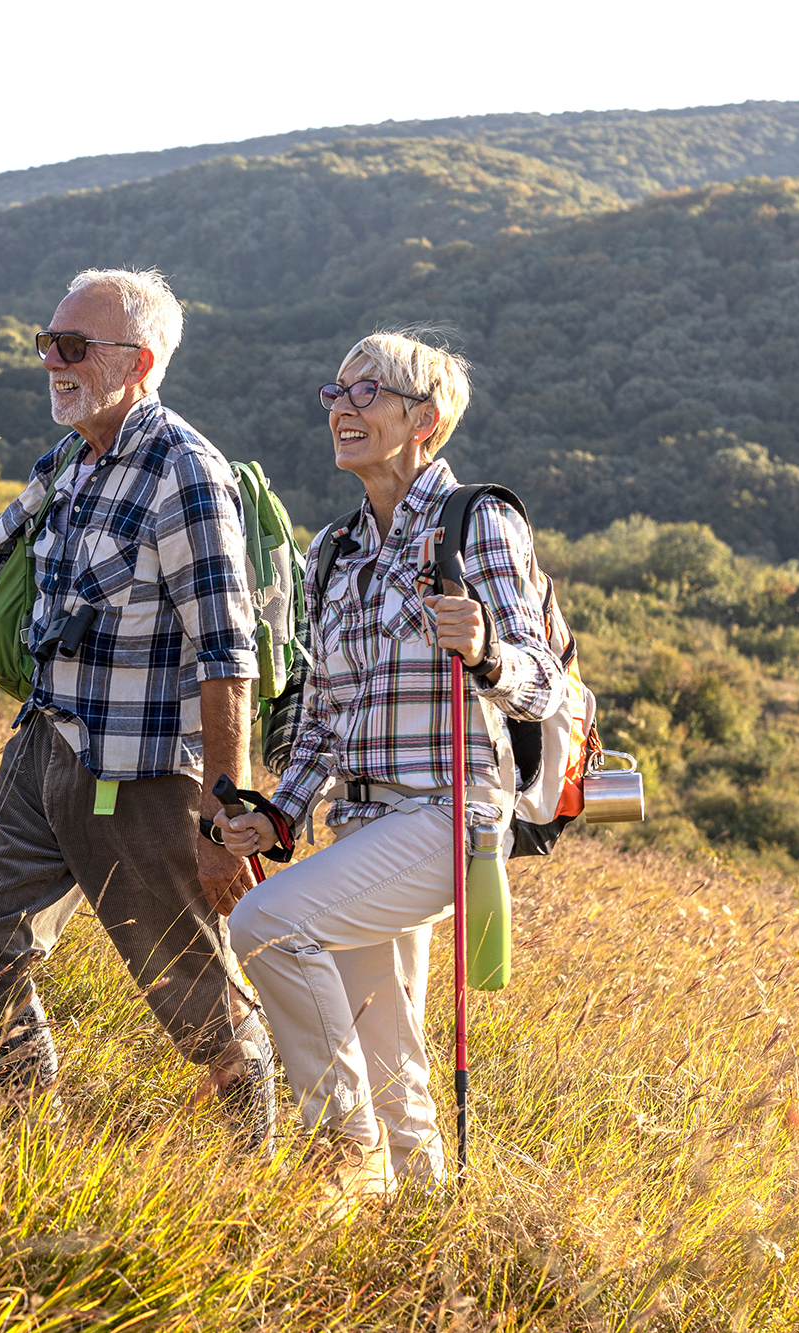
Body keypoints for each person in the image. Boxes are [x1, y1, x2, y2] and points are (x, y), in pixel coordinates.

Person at [0, 268, 276, 1145]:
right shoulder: (72, 457)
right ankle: (28, 1134)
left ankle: (253, 1171)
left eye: (72, 347)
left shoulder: (185, 474)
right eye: (47, 343)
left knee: (200, 1007)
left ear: (138, 361)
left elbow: (229, 656)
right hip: (47, 748)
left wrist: (224, 817)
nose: (52, 362)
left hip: (144, 779)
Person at [215, 328, 565, 1211]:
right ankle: (420, 1224)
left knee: (266, 924)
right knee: (383, 1037)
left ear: (427, 418)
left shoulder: (474, 521)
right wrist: (280, 814)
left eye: (368, 392)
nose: (342, 407)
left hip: (452, 814)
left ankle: (342, 1148)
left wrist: (486, 649)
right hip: (365, 825)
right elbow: (328, 715)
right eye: (335, 391)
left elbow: (544, 685)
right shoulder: (333, 551)